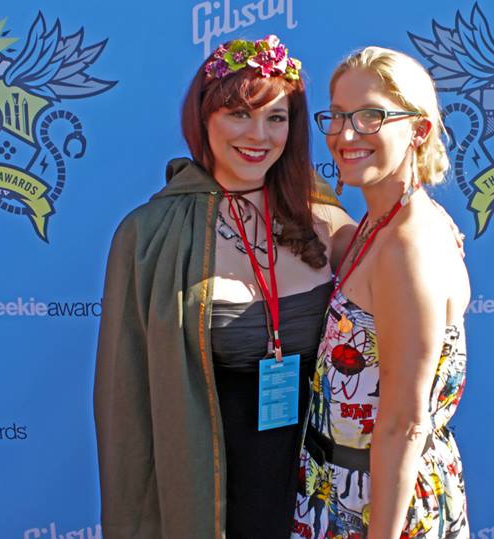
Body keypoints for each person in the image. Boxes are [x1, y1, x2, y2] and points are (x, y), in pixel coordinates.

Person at [94, 35, 355, 539]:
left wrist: (421, 229)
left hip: (320, 484)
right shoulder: (150, 235)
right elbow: (124, 398)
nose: (259, 134)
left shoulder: (322, 214)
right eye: (238, 113)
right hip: (213, 494)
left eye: (276, 117)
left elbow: (390, 270)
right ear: (203, 119)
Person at [292, 47, 470, 539]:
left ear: (419, 130)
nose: (346, 134)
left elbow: (403, 427)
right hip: (341, 486)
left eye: (372, 116)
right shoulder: (381, 222)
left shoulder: (409, 248)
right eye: (338, 116)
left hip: (378, 507)